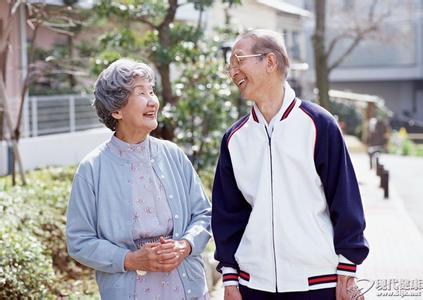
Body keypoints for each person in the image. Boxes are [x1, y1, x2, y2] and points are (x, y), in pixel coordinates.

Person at [212, 29, 369, 300]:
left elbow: (344, 198)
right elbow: (228, 213)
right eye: (230, 65)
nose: (233, 71)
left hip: (317, 282)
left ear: (270, 62)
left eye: (239, 60)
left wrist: (348, 266)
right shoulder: (234, 138)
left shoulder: (319, 125)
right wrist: (230, 277)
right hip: (253, 285)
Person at [66, 58, 211, 300]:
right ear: (116, 110)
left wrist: (184, 246)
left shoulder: (173, 154)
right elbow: (79, 240)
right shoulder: (92, 168)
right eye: (140, 92)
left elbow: (204, 214)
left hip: (187, 287)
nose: (152, 100)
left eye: (151, 91)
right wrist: (131, 259)